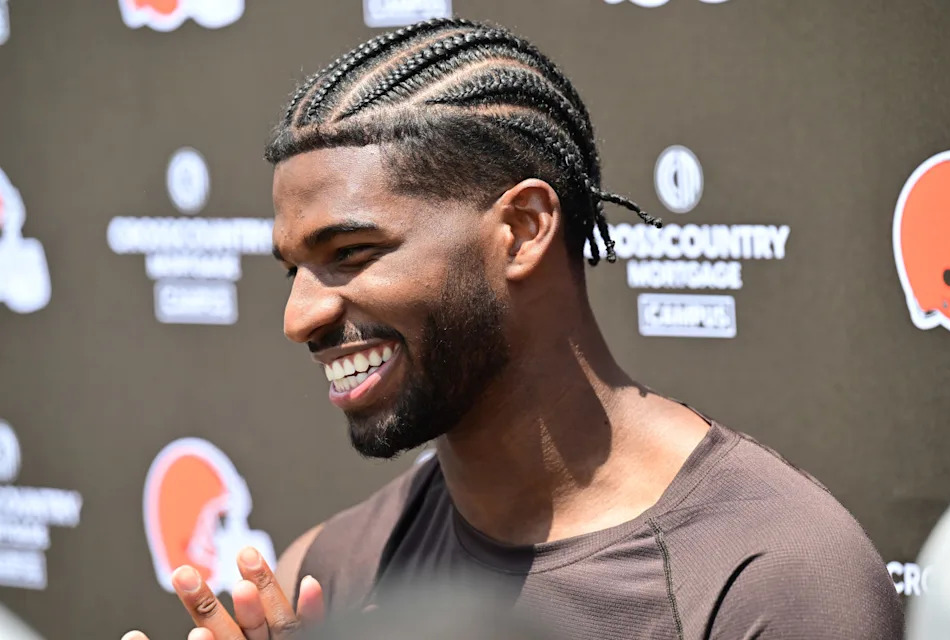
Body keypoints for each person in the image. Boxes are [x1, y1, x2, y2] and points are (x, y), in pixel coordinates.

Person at [123, 17, 903, 640]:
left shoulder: (771, 579)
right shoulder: (331, 576)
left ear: (524, 229)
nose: (301, 317)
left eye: (351, 253)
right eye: (293, 269)